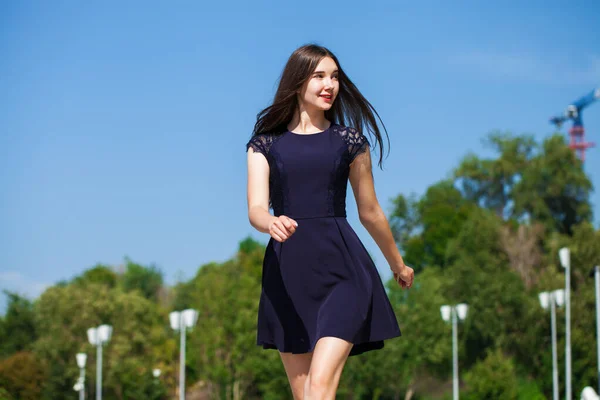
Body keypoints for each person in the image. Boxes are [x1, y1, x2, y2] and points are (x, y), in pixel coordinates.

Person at [245, 44, 414, 400]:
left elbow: (370, 211)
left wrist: (397, 264)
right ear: (297, 82)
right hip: (287, 279)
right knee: (305, 392)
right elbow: (256, 208)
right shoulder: (264, 145)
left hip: (344, 274)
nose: (330, 85)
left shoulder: (350, 143)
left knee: (320, 387)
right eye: (319, 76)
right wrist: (269, 222)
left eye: (335, 76)